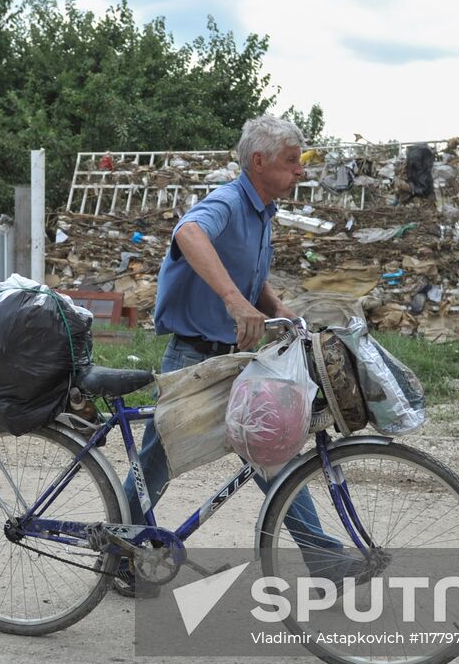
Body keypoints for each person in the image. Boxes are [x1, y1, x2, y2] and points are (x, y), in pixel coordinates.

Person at [117, 115, 348, 595]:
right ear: (258, 162)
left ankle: (321, 555)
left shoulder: (261, 210)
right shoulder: (225, 201)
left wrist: (275, 308)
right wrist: (234, 302)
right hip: (196, 357)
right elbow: (189, 234)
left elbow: (243, 269)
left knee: (269, 449)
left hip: (234, 358)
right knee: (157, 462)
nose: (299, 172)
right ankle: (120, 554)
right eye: (291, 162)